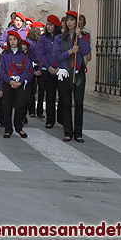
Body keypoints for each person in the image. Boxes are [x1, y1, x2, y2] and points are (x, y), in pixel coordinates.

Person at [53, 11, 91, 142]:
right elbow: (56, 57)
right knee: (66, 102)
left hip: (78, 72)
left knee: (79, 103)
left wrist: (80, 36)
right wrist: (70, 52)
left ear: (77, 22)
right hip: (65, 71)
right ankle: (68, 132)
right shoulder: (59, 38)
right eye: (67, 20)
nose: (69, 22)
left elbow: (86, 51)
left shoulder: (84, 36)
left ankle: (78, 132)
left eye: (72, 20)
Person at [0, 30, 33, 138]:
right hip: (8, 82)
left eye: (14, 40)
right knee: (7, 106)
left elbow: (26, 70)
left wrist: (20, 82)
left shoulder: (23, 56)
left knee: (20, 106)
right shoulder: (5, 54)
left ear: (18, 41)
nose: (12, 42)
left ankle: (19, 127)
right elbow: (2, 70)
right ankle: (8, 128)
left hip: (19, 83)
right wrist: (9, 81)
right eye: (10, 40)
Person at [37, 15, 62, 128]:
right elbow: (40, 54)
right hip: (48, 70)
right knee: (50, 95)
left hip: (60, 69)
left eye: (50, 25)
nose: (48, 27)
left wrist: (58, 67)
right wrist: (49, 67)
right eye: (47, 24)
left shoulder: (61, 38)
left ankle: (61, 118)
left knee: (62, 95)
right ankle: (50, 119)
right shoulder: (43, 39)